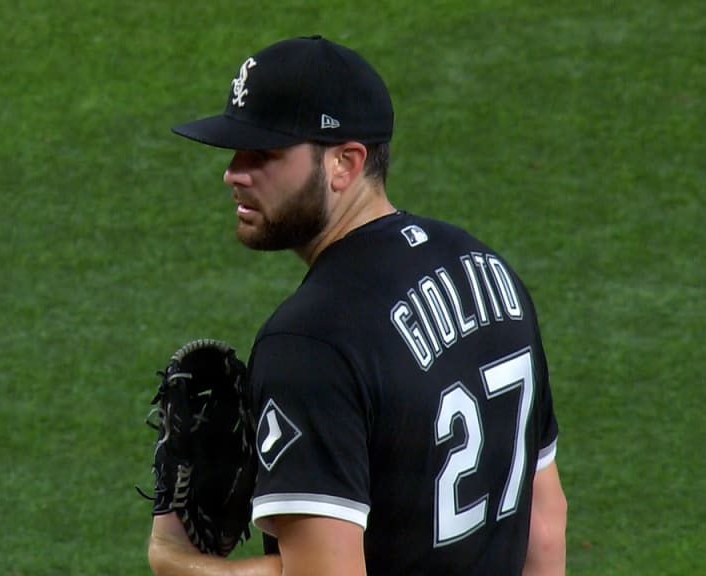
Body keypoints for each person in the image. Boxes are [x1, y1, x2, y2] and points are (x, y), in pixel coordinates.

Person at [148, 35, 567, 576]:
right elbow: (545, 525)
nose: (233, 172)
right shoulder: (487, 270)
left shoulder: (309, 343)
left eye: (264, 154)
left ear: (344, 163)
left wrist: (173, 557)